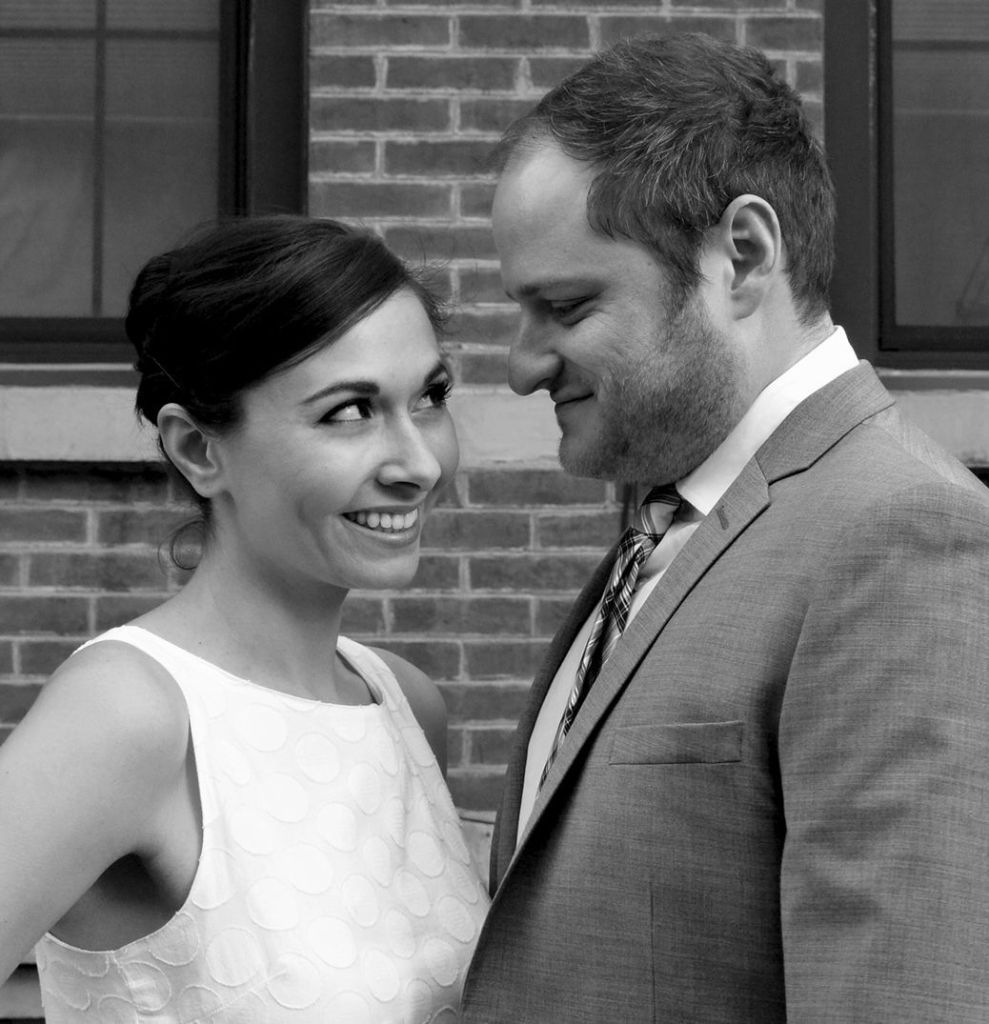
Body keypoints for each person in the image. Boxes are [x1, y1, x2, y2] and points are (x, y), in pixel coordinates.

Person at [460, 32, 989, 1023]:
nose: (521, 366)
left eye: (564, 305)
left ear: (741, 255)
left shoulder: (903, 537)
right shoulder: (672, 522)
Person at [0, 216, 489, 1022]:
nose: (419, 463)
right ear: (199, 449)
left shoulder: (402, 702)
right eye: (348, 412)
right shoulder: (128, 716)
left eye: (430, 397)